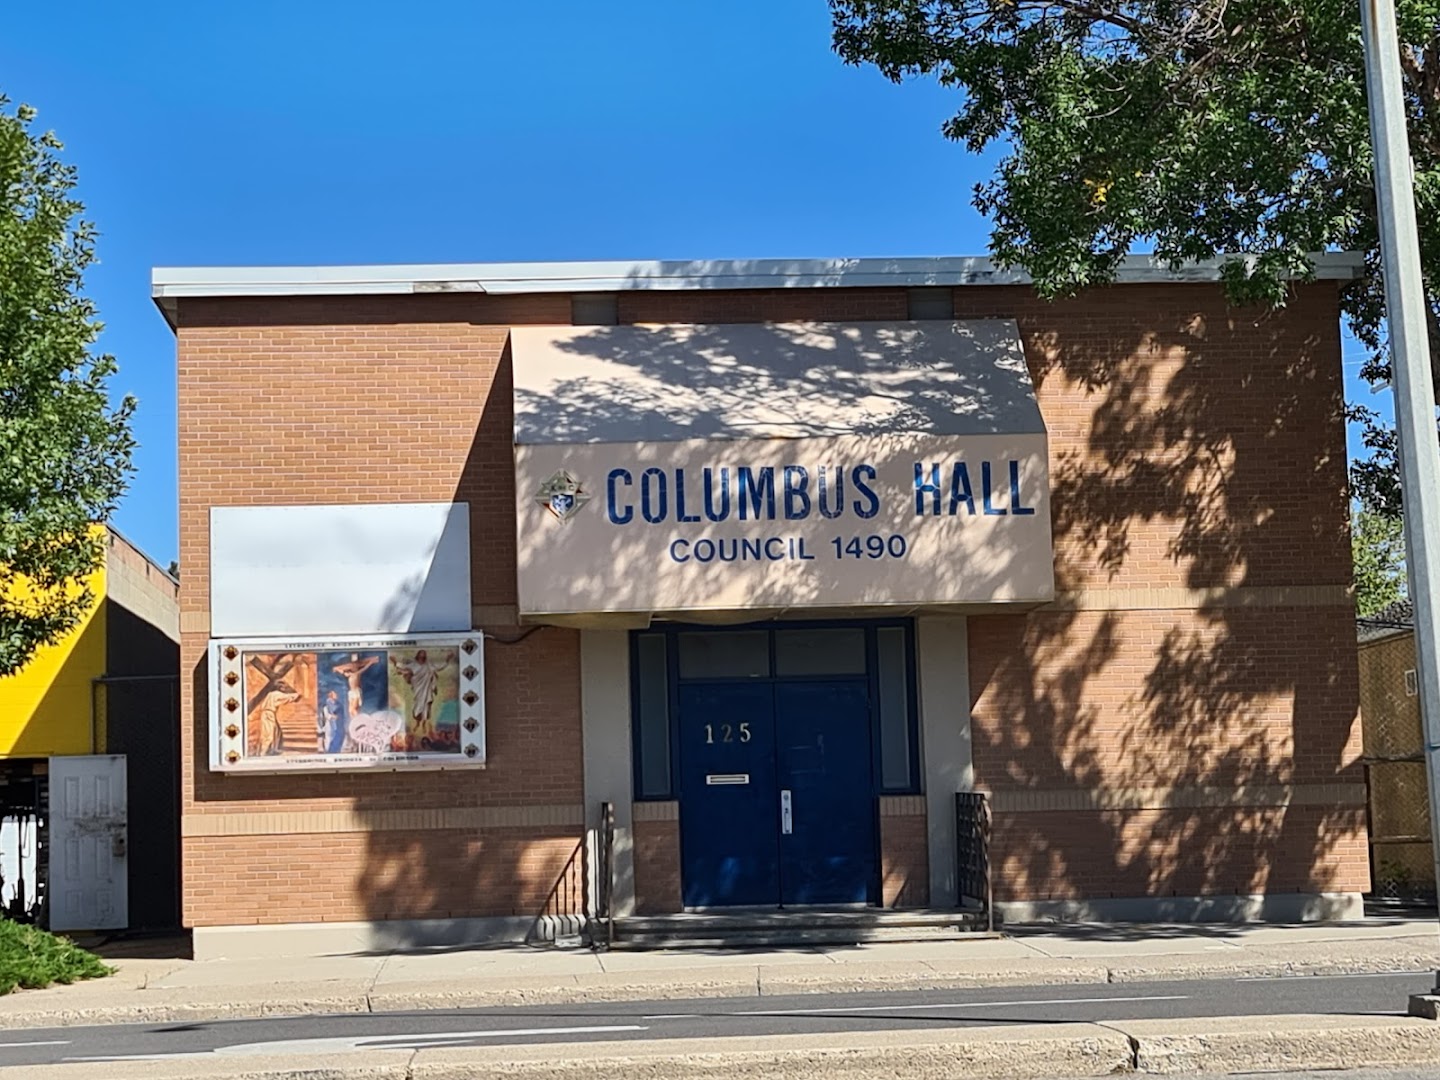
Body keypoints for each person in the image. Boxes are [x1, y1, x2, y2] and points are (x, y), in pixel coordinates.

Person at [391, 649, 451, 741]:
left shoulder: (429, 665)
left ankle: (424, 724)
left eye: (424, 655)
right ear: (418, 656)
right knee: (418, 707)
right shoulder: (413, 665)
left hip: (426, 688)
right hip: (417, 688)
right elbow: (404, 667)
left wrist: (447, 659)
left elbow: (439, 667)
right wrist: (395, 662)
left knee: (426, 706)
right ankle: (417, 723)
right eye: (421, 655)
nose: (422, 657)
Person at [331, 653, 380, 721]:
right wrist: (337, 669)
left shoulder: (355, 674)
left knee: (353, 709)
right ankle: (354, 721)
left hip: (355, 692)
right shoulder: (349, 675)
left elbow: (364, 668)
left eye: (347, 672)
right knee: (350, 711)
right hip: (351, 693)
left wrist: (370, 663)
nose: (346, 673)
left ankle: (359, 720)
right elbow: (340, 671)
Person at [256, 682, 301, 755]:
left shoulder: (270, 694)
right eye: (282, 687)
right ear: (279, 688)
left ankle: (273, 749)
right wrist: (297, 695)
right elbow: (286, 697)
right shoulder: (276, 694)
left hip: (268, 713)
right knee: (268, 734)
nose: (284, 689)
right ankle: (263, 752)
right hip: (269, 714)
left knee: (277, 731)